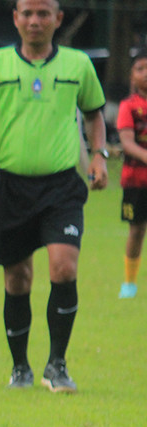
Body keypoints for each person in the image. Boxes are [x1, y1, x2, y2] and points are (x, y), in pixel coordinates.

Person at [0, 0, 108, 392]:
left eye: (44, 13)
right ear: (15, 19)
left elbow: (94, 115)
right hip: (11, 186)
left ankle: (57, 365)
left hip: (61, 186)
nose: (35, 21)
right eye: (27, 13)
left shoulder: (78, 65)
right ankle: (20, 367)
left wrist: (99, 157)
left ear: (58, 19)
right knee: (18, 278)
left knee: (64, 267)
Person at [117, 49, 147, 299]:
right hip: (136, 181)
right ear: (132, 75)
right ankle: (129, 284)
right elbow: (127, 142)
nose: (145, 74)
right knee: (136, 231)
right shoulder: (129, 106)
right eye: (140, 68)